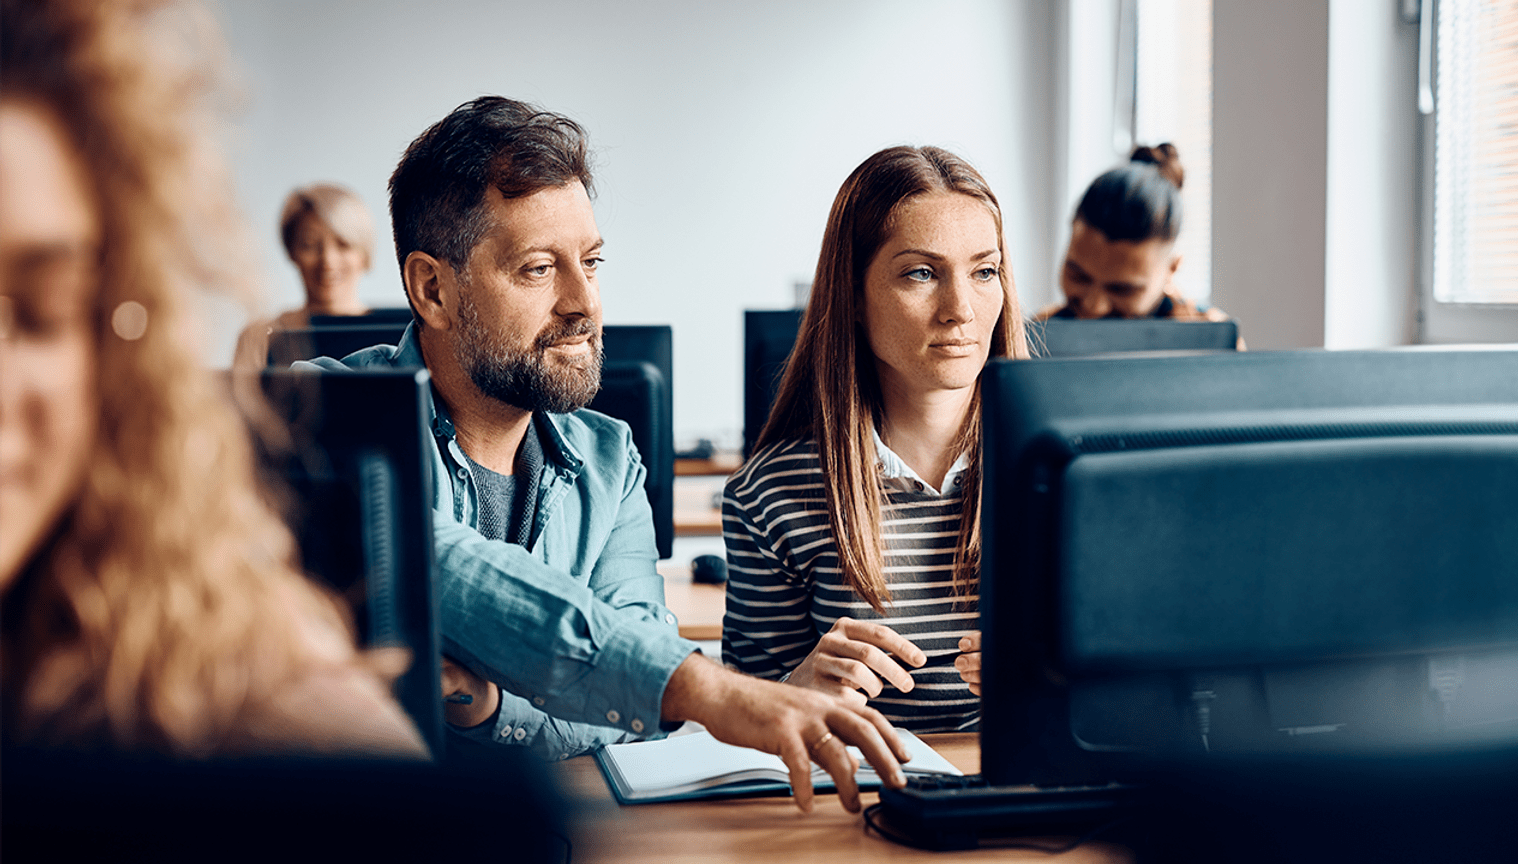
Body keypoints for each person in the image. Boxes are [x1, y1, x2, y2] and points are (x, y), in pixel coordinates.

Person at [300, 95, 908, 812]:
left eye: (591, 261)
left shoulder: (610, 458)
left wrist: (485, 703)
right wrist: (695, 689)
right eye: (537, 269)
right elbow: (424, 558)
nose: (584, 302)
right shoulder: (322, 414)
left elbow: (634, 719)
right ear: (432, 289)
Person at [0, 0, 425, 759]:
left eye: (39, 315)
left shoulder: (204, 642)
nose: (324, 262)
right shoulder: (261, 339)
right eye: (308, 247)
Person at [721, 147, 1027, 733]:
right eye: (921, 273)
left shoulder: (1063, 475)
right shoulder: (772, 493)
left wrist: (1060, 682)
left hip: (1026, 794)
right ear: (854, 298)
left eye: (984, 272)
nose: (960, 309)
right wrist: (795, 691)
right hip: (853, 802)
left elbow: (1145, 696)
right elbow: (742, 722)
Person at [1039, 143, 1233, 323]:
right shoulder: (1037, 334)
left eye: (1122, 290)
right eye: (1078, 276)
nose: (1094, 307)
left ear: (1172, 268)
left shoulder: (1213, 343)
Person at [232, 183, 375, 367]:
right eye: (309, 244)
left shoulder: (407, 335)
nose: (328, 262)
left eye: (343, 244)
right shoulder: (259, 339)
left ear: (364, 254)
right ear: (291, 251)